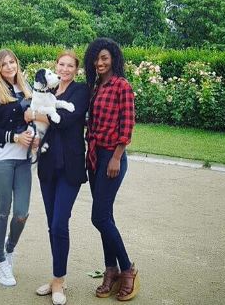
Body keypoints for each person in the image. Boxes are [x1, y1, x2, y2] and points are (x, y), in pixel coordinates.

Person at [27, 51, 89, 305]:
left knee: (60, 223)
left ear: (76, 69)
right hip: (48, 167)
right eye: (60, 65)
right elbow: (32, 112)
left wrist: (32, 114)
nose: (64, 69)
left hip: (70, 167)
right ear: (55, 67)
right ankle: (55, 278)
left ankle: (60, 282)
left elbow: (64, 120)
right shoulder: (47, 92)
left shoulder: (81, 91)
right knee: (53, 225)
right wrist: (32, 115)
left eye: (69, 66)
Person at [84, 38, 139, 301]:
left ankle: (128, 270)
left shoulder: (122, 86)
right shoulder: (96, 86)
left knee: (99, 217)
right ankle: (110, 270)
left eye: (104, 58)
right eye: (96, 58)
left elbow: (127, 127)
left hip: (112, 157)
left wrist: (117, 157)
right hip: (94, 157)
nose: (100, 62)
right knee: (106, 216)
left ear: (114, 58)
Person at [0, 48, 34, 287]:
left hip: (23, 160)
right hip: (1, 159)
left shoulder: (26, 90)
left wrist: (34, 137)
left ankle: (9, 249)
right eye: (4, 64)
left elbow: (32, 121)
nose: (10, 67)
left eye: (12, 62)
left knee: (22, 213)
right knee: (3, 211)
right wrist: (14, 138)